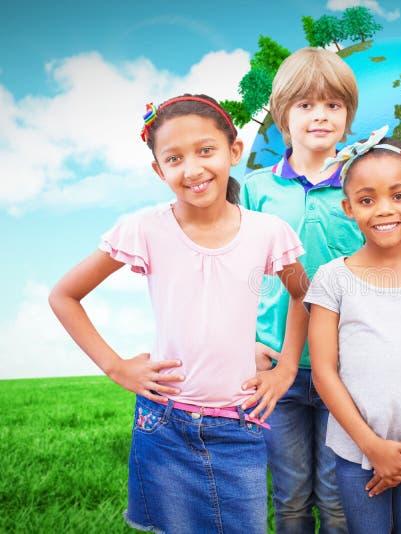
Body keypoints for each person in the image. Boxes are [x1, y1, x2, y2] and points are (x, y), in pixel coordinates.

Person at [48, 94, 309, 533]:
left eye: (206, 151)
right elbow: (64, 295)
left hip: (238, 421)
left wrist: (285, 369)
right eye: (174, 158)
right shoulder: (144, 228)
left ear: (233, 151)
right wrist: (115, 367)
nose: (192, 169)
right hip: (163, 422)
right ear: (158, 170)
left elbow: (303, 295)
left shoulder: (268, 232)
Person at [306, 127, 401, 533]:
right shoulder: (332, 278)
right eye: (366, 200)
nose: (384, 210)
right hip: (356, 449)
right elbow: (324, 371)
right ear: (348, 208)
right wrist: (373, 448)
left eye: (398, 196)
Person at [239, 46, 361, 533]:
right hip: (274, 364)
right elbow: (239, 274)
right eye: (306, 105)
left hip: (347, 361)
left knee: (337, 499)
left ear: (348, 115)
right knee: (289, 498)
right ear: (282, 114)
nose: (320, 116)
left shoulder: (361, 184)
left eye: (333, 105)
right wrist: (245, 341)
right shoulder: (254, 188)